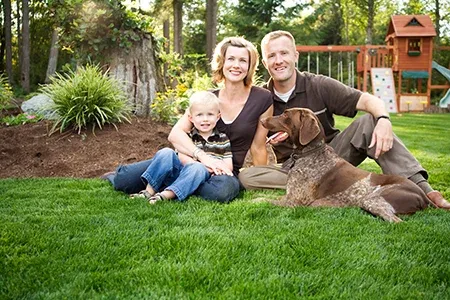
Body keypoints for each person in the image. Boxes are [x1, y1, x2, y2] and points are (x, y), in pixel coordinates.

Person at [238, 30, 450, 209]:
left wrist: (384, 119)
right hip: (292, 170)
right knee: (248, 177)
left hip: (332, 159)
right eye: (272, 56)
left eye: (284, 53)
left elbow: (368, 100)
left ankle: (425, 190)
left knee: (370, 121)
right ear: (265, 63)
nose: (278, 60)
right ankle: (311, 189)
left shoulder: (319, 85)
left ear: (296, 55)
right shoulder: (262, 98)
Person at [104, 36, 273, 203]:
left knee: (223, 192)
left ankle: (173, 185)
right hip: (187, 163)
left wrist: (261, 181)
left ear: (250, 66)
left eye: (243, 60)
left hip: (222, 173)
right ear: (222, 62)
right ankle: (182, 182)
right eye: (231, 59)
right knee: (123, 180)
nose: (236, 65)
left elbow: (258, 147)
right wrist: (203, 159)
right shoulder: (207, 98)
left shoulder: (262, 99)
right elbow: (176, 134)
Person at [129, 91, 233, 204]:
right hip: (178, 171)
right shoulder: (188, 137)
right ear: (191, 118)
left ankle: (165, 195)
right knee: (166, 152)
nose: (205, 119)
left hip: (197, 177)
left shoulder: (222, 139)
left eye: (210, 114)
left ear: (218, 117)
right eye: (199, 115)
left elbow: (228, 166)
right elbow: (180, 156)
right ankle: (148, 191)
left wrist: (215, 170)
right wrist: (203, 163)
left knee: (197, 168)